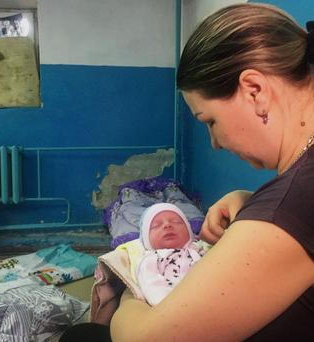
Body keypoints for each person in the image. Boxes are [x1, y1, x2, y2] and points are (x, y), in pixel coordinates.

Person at [110, 3, 314, 341]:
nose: (214, 143)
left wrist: (132, 290)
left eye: (210, 122)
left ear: (255, 91)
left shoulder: (294, 201)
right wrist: (251, 201)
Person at [137, 203, 203, 305]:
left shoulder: (199, 250)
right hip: (175, 306)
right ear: (147, 239)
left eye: (176, 222)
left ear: (189, 231)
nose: (167, 225)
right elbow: (151, 285)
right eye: (156, 225)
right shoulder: (152, 258)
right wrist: (168, 305)